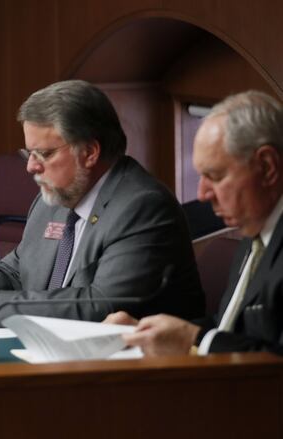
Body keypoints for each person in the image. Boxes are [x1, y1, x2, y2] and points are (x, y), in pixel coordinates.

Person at [0, 80, 204, 323]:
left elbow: (101, 304)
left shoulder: (142, 207)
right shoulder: (53, 200)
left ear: (89, 152)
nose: (30, 167)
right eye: (28, 154)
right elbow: (17, 268)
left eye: (44, 154)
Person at [107, 90, 283, 356]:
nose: (202, 194)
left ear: (267, 166)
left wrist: (197, 339)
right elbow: (232, 329)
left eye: (215, 175)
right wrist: (145, 331)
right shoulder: (256, 231)